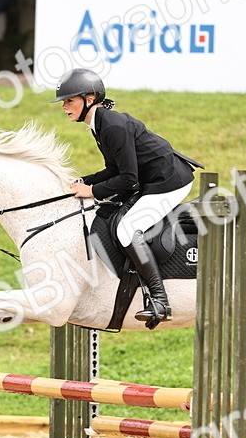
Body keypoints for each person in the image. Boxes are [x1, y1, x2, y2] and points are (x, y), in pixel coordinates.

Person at [54, 68, 197, 329]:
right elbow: (115, 170)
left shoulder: (112, 126)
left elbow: (128, 178)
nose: (64, 107)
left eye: (69, 100)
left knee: (128, 229)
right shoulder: (100, 124)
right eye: (64, 102)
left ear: (89, 99)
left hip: (170, 182)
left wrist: (93, 192)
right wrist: (85, 181)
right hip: (152, 178)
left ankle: (159, 300)